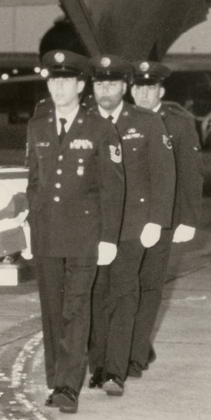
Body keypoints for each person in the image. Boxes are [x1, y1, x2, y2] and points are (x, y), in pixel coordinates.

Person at [25, 51, 124, 414]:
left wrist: (109, 238)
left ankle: (68, 386)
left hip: (84, 234)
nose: (59, 87)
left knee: (75, 310)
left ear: (81, 86)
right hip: (47, 234)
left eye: (66, 80)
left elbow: (113, 189)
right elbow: (34, 181)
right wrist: (30, 222)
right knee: (52, 311)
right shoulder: (37, 127)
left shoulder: (99, 127)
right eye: (53, 80)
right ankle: (56, 380)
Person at [85, 56, 175, 394]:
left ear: (125, 87)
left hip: (132, 226)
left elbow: (164, 175)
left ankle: (114, 371)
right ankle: (97, 364)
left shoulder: (146, 122)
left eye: (112, 84)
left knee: (124, 294)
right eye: (99, 84)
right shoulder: (84, 121)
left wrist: (157, 220)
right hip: (92, 226)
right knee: (95, 295)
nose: (105, 90)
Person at [126, 60, 204, 376]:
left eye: (150, 87)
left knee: (149, 285)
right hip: (124, 220)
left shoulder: (180, 124)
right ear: (131, 90)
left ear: (161, 90)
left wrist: (189, 218)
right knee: (119, 285)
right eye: (139, 87)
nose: (144, 93)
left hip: (162, 218)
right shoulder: (116, 121)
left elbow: (191, 173)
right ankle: (131, 343)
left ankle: (136, 349)